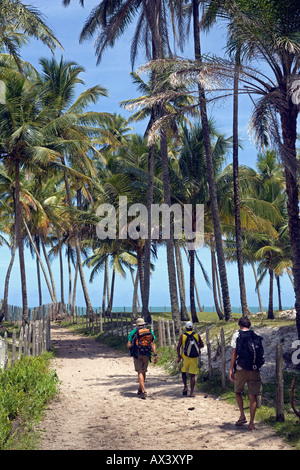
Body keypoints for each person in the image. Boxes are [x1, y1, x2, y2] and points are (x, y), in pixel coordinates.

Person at [229, 316, 263, 431]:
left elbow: (234, 353)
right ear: (249, 325)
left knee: (238, 391)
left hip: (241, 369)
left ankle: (242, 415)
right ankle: (252, 423)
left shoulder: (237, 335)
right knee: (253, 395)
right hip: (254, 369)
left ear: (240, 325)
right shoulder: (256, 335)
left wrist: (231, 369)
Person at [127, 317, 157, 399]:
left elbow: (128, 344)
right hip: (147, 354)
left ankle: (143, 390)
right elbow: (152, 344)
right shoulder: (149, 331)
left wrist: (131, 348)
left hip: (137, 354)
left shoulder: (133, 332)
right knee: (144, 371)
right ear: (144, 324)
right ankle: (140, 388)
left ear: (137, 325)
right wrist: (155, 355)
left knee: (139, 371)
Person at [177, 321, 203, 397]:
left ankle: (185, 386)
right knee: (192, 375)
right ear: (192, 327)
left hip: (185, 357)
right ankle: (192, 392)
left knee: (183, 372)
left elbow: (178, 347)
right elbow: (201, 345)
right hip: (194, 357)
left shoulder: (183, 336)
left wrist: (179, 356)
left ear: (186, 328)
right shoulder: (197, 335)